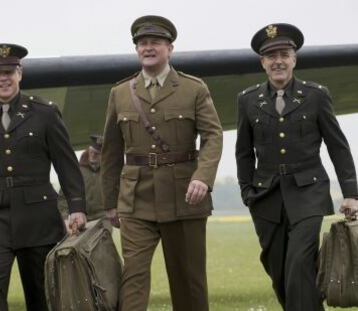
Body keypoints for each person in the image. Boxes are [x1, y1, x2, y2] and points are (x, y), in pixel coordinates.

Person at [0, 43, 87, 311]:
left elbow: (67, 165)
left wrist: (77, 207)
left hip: (39, 217)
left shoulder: (45, 112)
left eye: (9, 71)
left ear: (20, 73)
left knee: (41, 292)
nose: (4, 77)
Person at [101, 15, 223, 311]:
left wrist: (202, 178)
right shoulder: (120, 93)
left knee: (188, 281)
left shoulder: (194, 89)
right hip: (135, 198)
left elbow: (213, 136)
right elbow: (111, 152)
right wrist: (110, 202)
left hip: (184, 196)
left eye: (155, 42)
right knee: (133, 276)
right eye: (142, 43)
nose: (148, 48)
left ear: (170, 48)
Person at [235, 23, 358, 310]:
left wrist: (352, 193)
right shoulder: (248, 100)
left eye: (284, 54)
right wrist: (246, 191)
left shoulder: (316, 95)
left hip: (308, 192)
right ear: (262, 62)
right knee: (277, 270)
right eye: (271, 56)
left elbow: (338, 146)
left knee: (299, 264)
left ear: (294, 59)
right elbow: (242, 152)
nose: (278, 60)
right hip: (265, 197)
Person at [58, 134, 105, 231]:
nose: (92, 155)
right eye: (91, 151)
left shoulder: (108, 173)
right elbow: (62, 197)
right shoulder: (76, 171)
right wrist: (65, 218)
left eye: (96, 153)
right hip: (82, 218)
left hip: (104, 219)